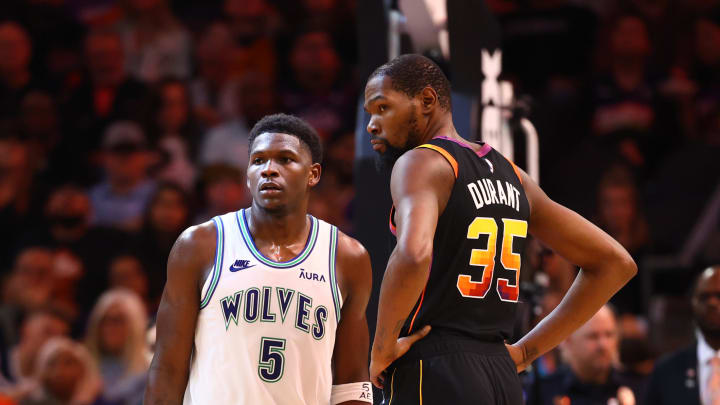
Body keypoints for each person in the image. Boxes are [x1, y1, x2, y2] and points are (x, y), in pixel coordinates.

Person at [364, 54, 637, 404]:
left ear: (427, 101)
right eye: (369, 113)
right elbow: (614, 262)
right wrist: (525, 353)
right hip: (501, 376)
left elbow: (414, 254)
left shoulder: (419, 162)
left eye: (382, 107)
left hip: (435, 366)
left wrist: (383, 346)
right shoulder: (514, 175)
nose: (372, 124)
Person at [145, 113, 373, 404]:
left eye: (285, 160)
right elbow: (166, 368)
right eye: (258, 161)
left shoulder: (346, 257)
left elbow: (352, 380)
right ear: (248, 175)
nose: (268, 170)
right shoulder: (200, 245)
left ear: (313, 174)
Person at [526, 305, 639, 405]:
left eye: (609, 335)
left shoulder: (635, 386)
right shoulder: (544, 390)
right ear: (569, 341)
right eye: (593, 336)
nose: (603, 345)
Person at [644, 265, 720, 405]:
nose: (712, 303)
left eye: (719, 296)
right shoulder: (666, 370)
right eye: (704, 297)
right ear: (692, 303)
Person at [85, 289, 149, 405]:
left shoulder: (151, 372)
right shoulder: (82, 369)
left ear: (135, 325)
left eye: (117, 321)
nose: (109, 328)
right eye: (104, 321)